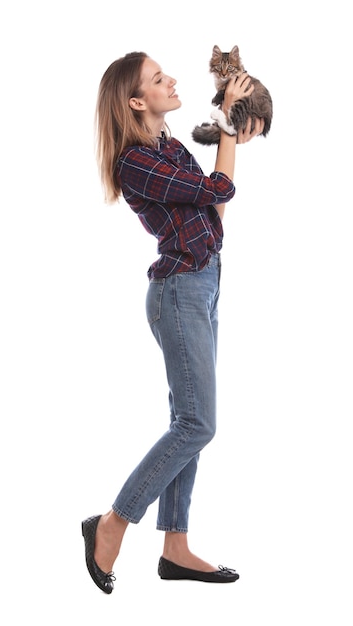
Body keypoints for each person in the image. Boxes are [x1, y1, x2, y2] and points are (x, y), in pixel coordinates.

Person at [82, 51, 264, 594]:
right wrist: (229, 126)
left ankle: (175, 546)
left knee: (187, 423)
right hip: (179, 292)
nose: (174, 80)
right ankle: (112, 524)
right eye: (160, 79)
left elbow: (213, 214)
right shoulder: (136, 161)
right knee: (197, 424)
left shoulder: (171, 147)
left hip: (204, 282)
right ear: (137, 101)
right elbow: (220, 189)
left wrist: (230, 134)